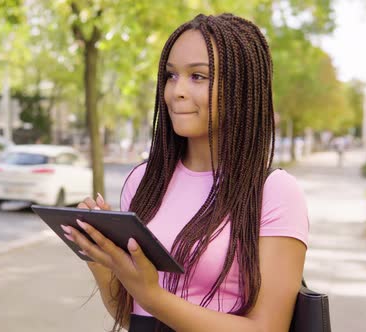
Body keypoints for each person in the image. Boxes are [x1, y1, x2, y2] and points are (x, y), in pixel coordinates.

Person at [61, 13, 308, 332]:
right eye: (171, 75)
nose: (175, 91)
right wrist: (99, 257)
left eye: (198, 77)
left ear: (241, 88)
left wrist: (153, 296)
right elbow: (133, 316)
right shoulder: (143, 182)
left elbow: (268, 328)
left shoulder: (274, 193)